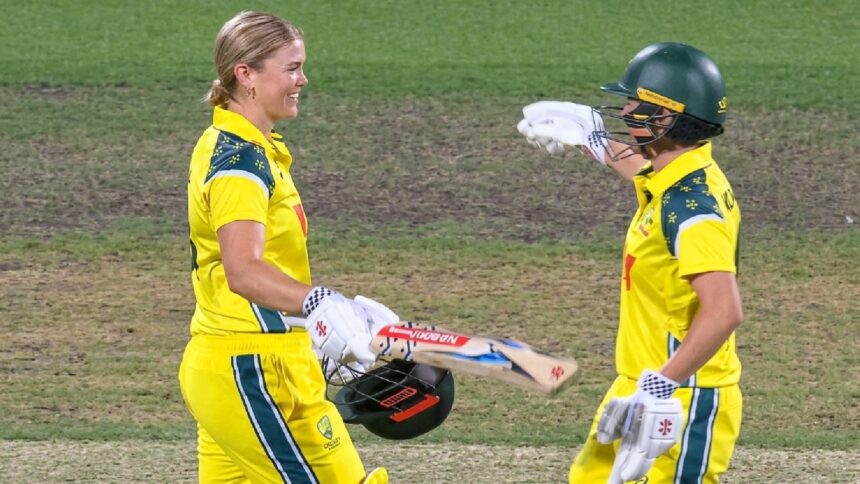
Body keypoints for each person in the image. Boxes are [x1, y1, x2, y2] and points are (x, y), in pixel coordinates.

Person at [179, 11, 395, 484]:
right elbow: (243, 271)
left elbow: (259, 271)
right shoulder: (240, 163)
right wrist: (317, 302)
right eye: (291, 68)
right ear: (246, 75)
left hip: (241, 367)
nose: (303, 80)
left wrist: (332, 316)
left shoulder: (239, 145)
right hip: (255, 374)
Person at [517, 42, 743, 483]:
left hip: (680, 396)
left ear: (666, 117)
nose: (625, 111)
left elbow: (724, 311)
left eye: (636, 103)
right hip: (639, 385)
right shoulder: (678, 178)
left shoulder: (692, 210)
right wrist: (595, 140)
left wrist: (662, 385)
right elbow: (644, 171)